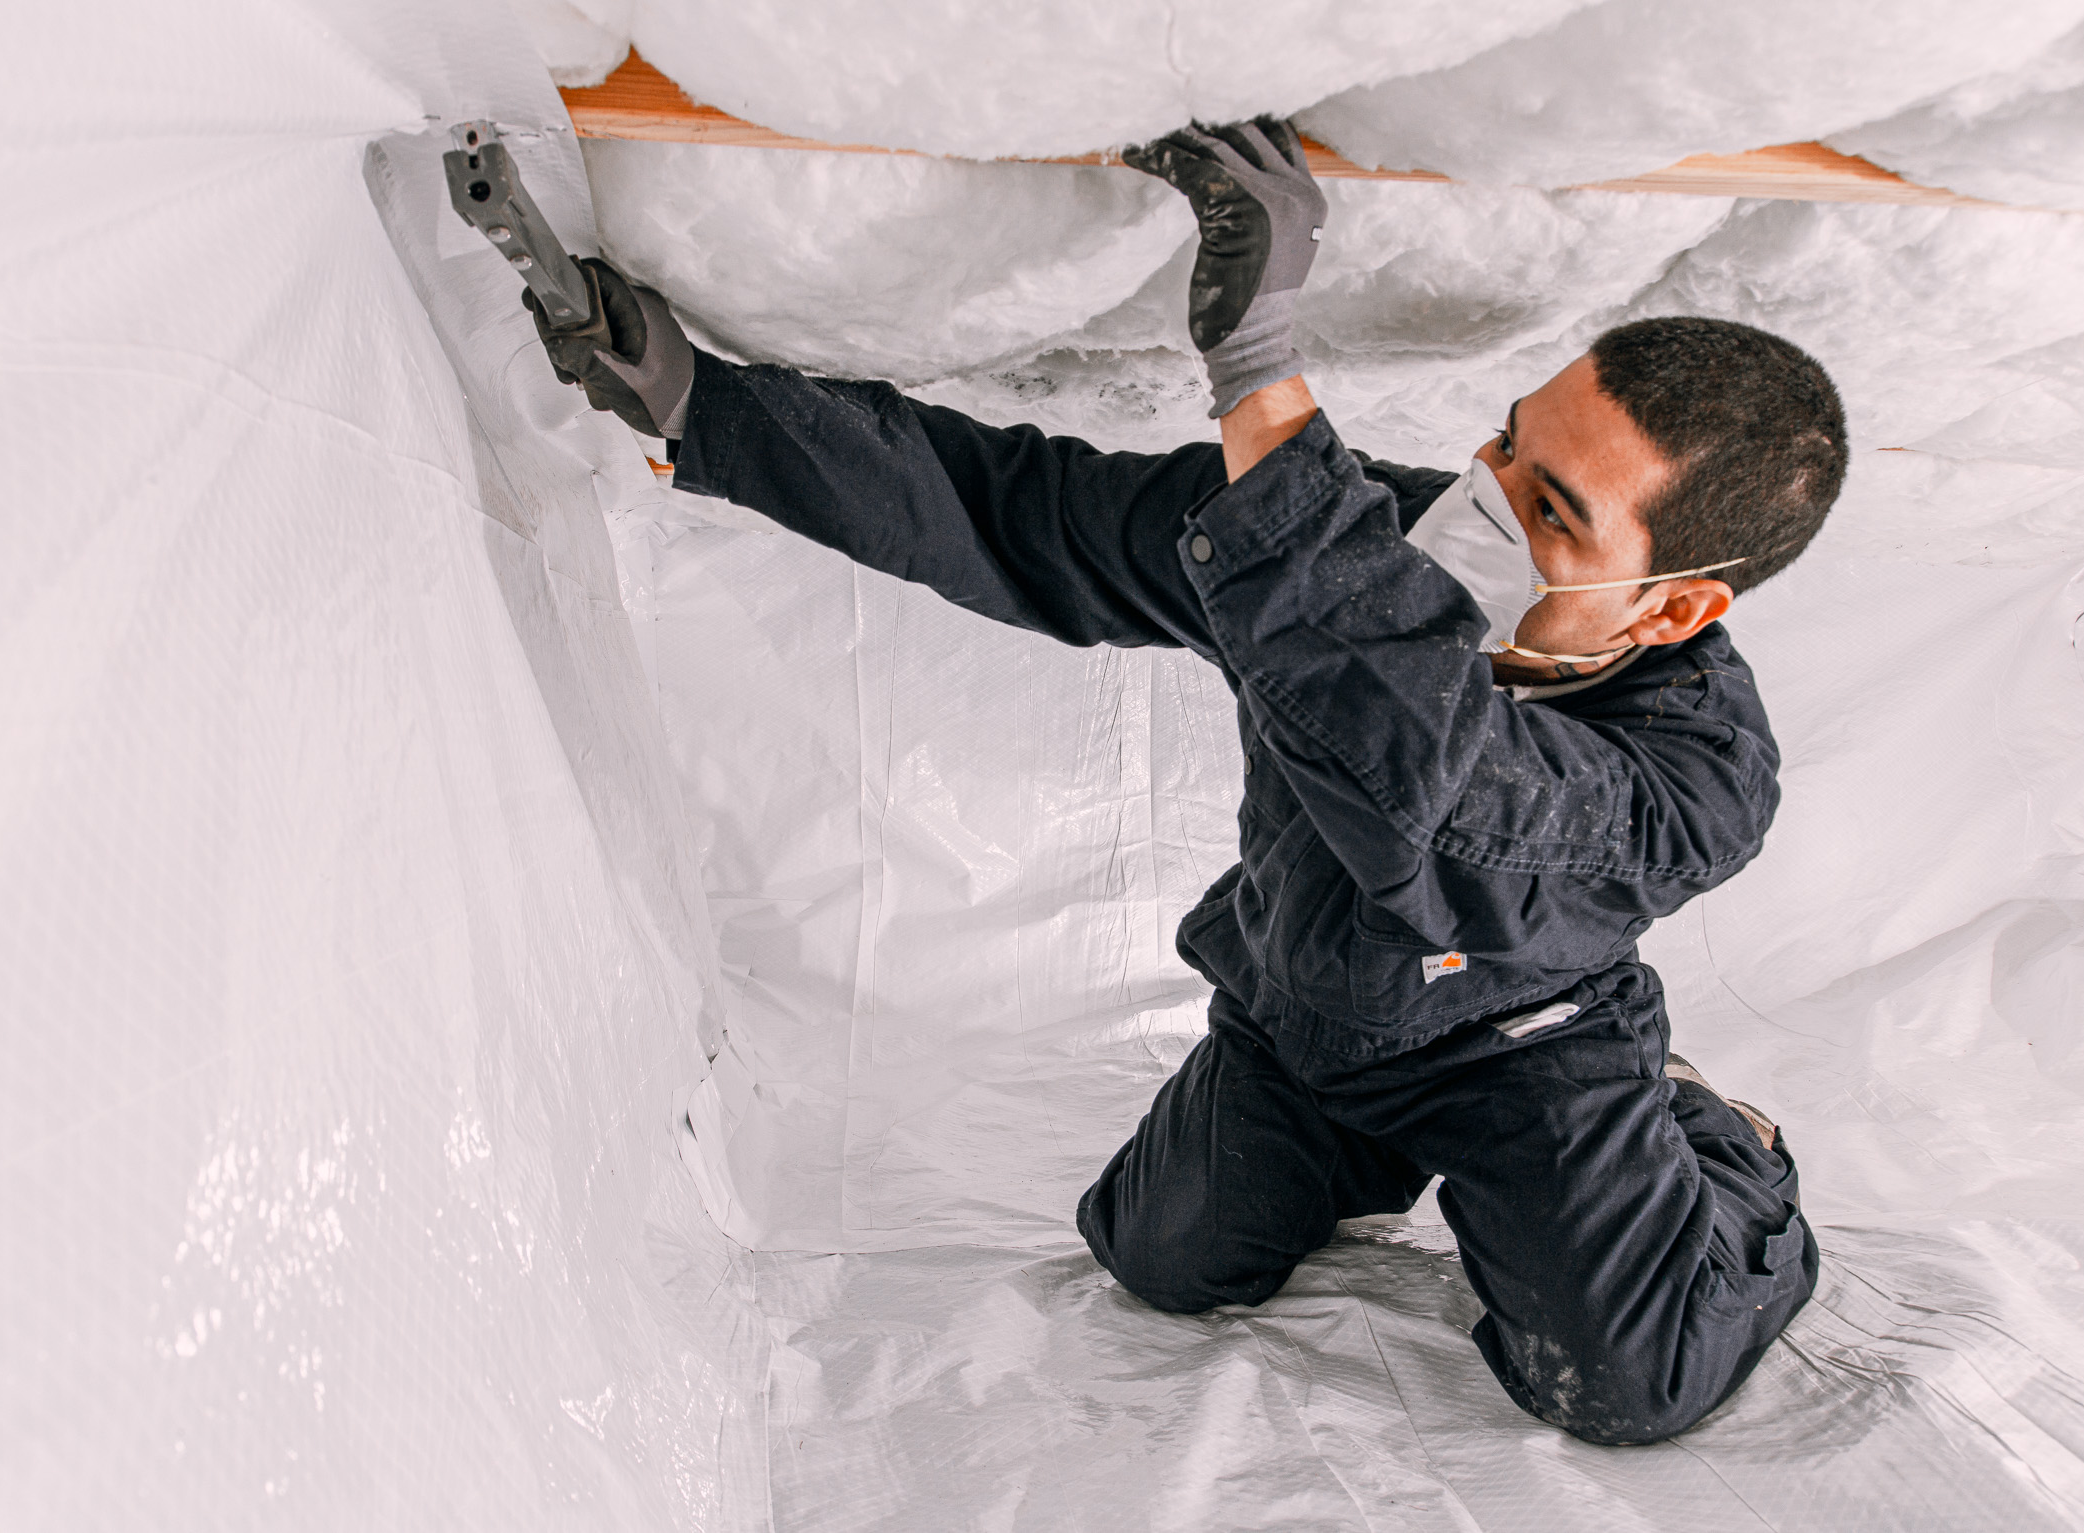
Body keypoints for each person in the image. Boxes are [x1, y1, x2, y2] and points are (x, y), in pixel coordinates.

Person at [527, 118, 1846, 1446]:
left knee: (1630, 1381)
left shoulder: (1703, 770)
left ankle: (1719, 1143)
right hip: (1305, 1010)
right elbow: (1020, 512)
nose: (1483, 498)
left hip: (1523, 1051)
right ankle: (1365, 1154)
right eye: (1505, 442)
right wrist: (706, 405)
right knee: (1156, 1255)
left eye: (1552, 509)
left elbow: (1437, 784)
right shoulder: (1340, 534)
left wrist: (1261, 374)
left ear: (1671, 608)